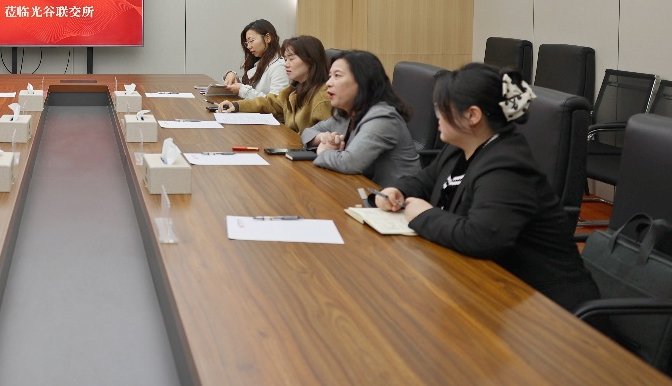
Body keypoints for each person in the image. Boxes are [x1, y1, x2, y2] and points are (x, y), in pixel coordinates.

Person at [372, 63, 599, 312]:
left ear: (473, 115)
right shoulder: (461, 146)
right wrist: (397, 190)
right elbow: (427, 179)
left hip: (544, 308)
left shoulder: (507, 166)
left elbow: (481, 237)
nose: (437, 116)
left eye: (442, 109)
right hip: (488, 287)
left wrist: (424, 215)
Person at [301, 50, 419, 185]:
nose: (328, 83)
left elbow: (349, 163)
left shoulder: (383, 118)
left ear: (362, 81)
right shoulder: (346, 113)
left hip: (394, 195)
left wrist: (323, 152)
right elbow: (307, 132)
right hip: (358, 187)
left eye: (337, 76)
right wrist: (324, 137)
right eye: (330, 76)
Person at [217, 35, 333, 134]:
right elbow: (270, 103)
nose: (286, 64)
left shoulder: (322, 98)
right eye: (285, 59)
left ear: (311, 61)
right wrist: (237, 106)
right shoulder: (293, 90)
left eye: (291, 59)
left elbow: (325, 140)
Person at [222, 19, 290, 99]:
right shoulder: (261, 62)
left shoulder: (279, 67)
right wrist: (231, 74)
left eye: (251, 41)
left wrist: (243, 90)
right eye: (247, 43)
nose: (248, 46)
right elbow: (248, 84)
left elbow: (276, 102)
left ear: (267, 38)